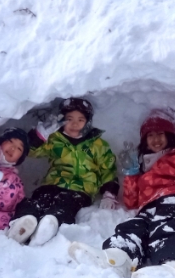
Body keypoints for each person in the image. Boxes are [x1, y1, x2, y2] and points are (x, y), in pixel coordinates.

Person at [69, 108, 175, 278]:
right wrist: (132, 175)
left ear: (170, 136)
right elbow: (132, 202)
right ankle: (118, 257)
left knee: (169, 229)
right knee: (133, 227)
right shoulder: (144, 166)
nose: (155, 139)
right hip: (148, 209)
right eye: (150, 135)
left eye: (160, 134)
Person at [8, 97, 119, 246]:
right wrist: (39, 135)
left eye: (80, 119)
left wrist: (109, 193)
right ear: (62, 120)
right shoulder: (55, 139)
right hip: (52, 183)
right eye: (69, 119)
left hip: (80, 189)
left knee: (66, 205)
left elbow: (108, 168)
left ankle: (52, 223)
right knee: (37, 201)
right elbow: (32, 151)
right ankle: (23, 222)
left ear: (88, 122)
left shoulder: (97, 144)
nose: (74, 124)